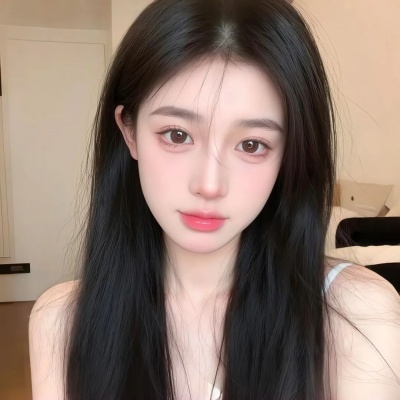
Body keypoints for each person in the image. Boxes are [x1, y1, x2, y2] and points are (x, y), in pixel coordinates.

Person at [28, 0, 400, 399]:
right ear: (130, 131)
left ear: (289, 152)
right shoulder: (61, 322)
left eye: (252, 144)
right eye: (177, 135)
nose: (209, 184)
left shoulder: (358, 315)